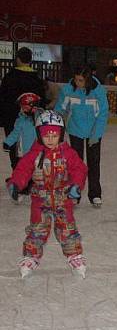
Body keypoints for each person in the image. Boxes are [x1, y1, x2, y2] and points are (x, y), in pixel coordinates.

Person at [5, 110, 88, 278]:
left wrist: (76, 186)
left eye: (54, 135)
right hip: (40, 201)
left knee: (67, 229)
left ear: (61, 135)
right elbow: (22, 169)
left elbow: (80, 169)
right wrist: (15, 184)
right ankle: (31, 256)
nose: (50, 140)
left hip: (63, 199)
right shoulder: (34, 154)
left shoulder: (68, 153)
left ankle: (74, 255)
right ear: (39, 135)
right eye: (46, 136)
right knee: (37, 230)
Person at [56, 66, 110, 207]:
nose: (77, 82)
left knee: (93, 163)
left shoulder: (98, 91)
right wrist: (58, 124)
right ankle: (75, 193)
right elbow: (60, 109)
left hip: (93, 132)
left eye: (81, 80)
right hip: (75, 131)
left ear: (88, 80)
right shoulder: (68, 90)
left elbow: (103, 114)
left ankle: (95, 194)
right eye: (76, 79)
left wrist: (96, 134)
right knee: (75, 164)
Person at [0, 47, 46, 169]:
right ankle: (29, 176)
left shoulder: (9, 78)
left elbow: (3, 99)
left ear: (18, 59)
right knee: (31, 147)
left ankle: (17, 174)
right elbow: (42, 102)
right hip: (33, 120)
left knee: (14, 147)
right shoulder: (37, 80)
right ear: (30, 60)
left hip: (12, 119)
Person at [3, 92, 41, 200]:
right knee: (25, 171)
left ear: (34, 107)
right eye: (22, 107)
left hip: (40, 153)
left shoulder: (41, 119)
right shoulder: (20, 120)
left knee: (40, 171)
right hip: (26, 153)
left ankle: (40, 187)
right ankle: (21, 187)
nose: (23, 110)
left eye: (25, 107)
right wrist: (8, 142)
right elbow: (15, 133)